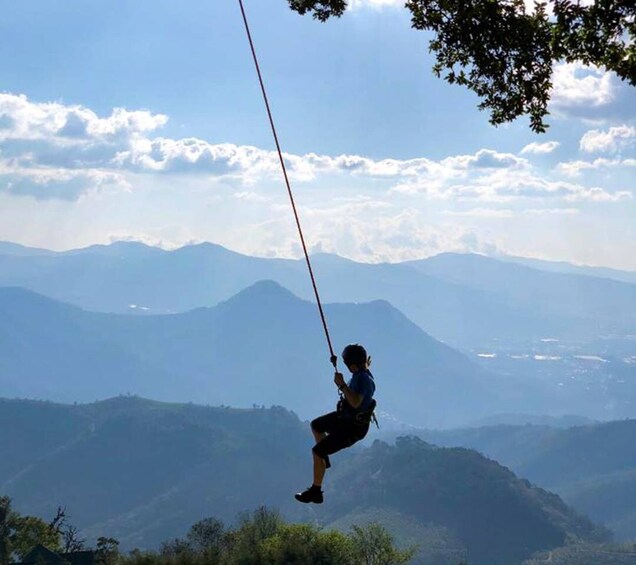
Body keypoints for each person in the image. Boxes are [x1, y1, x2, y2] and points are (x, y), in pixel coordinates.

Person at [295, 343, 376, 504]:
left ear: (350, 365)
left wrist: (342, 385)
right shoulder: (363, 373)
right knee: (317, 425)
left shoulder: (362, 379)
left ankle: (316, 492)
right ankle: (323, 460)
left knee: (317, 451)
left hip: (353, 427)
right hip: (346, 418)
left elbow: (355, 402)